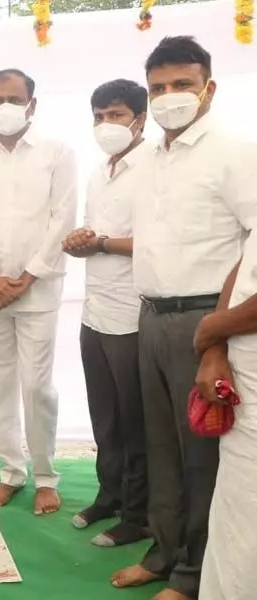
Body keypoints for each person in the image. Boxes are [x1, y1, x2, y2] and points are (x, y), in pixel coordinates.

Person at [110, 36, 255, 600]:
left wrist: (217, 334)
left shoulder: (236, 153)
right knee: (161, 446)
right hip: (150, 317)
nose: (170, 97)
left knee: (202, 455)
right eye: (159, 89)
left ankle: (194, 575)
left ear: (209, 88)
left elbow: (253, 244)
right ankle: (165, 553)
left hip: (205, 322)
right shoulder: (148, 159)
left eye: (182, 85)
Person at [0, 68, 77, 515]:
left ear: (32, 104)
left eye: (14, 98)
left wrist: (28, 277)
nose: (6, 107)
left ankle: (45, 476)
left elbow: (62, 220)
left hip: (36, 292)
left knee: (36, 385)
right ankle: (11, 472)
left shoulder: (57, 153)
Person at [62, 79, 150, 548]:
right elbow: (97, 234)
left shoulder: (155, 166)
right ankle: (109, 496)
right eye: (98, 115)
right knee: (105, 417)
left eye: (114, 115)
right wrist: (80, 242)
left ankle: (138, 516)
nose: (105, 124)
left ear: (141, 117)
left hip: (134, 315)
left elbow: (158, 239)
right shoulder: (100, 171)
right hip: (94, 310)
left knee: (136, 422)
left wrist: (99, 243)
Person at [193, 144, 257, 600]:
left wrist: (215, 325)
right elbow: (245, 267)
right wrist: (214, 346)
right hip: (242, 378)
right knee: (236, 513)